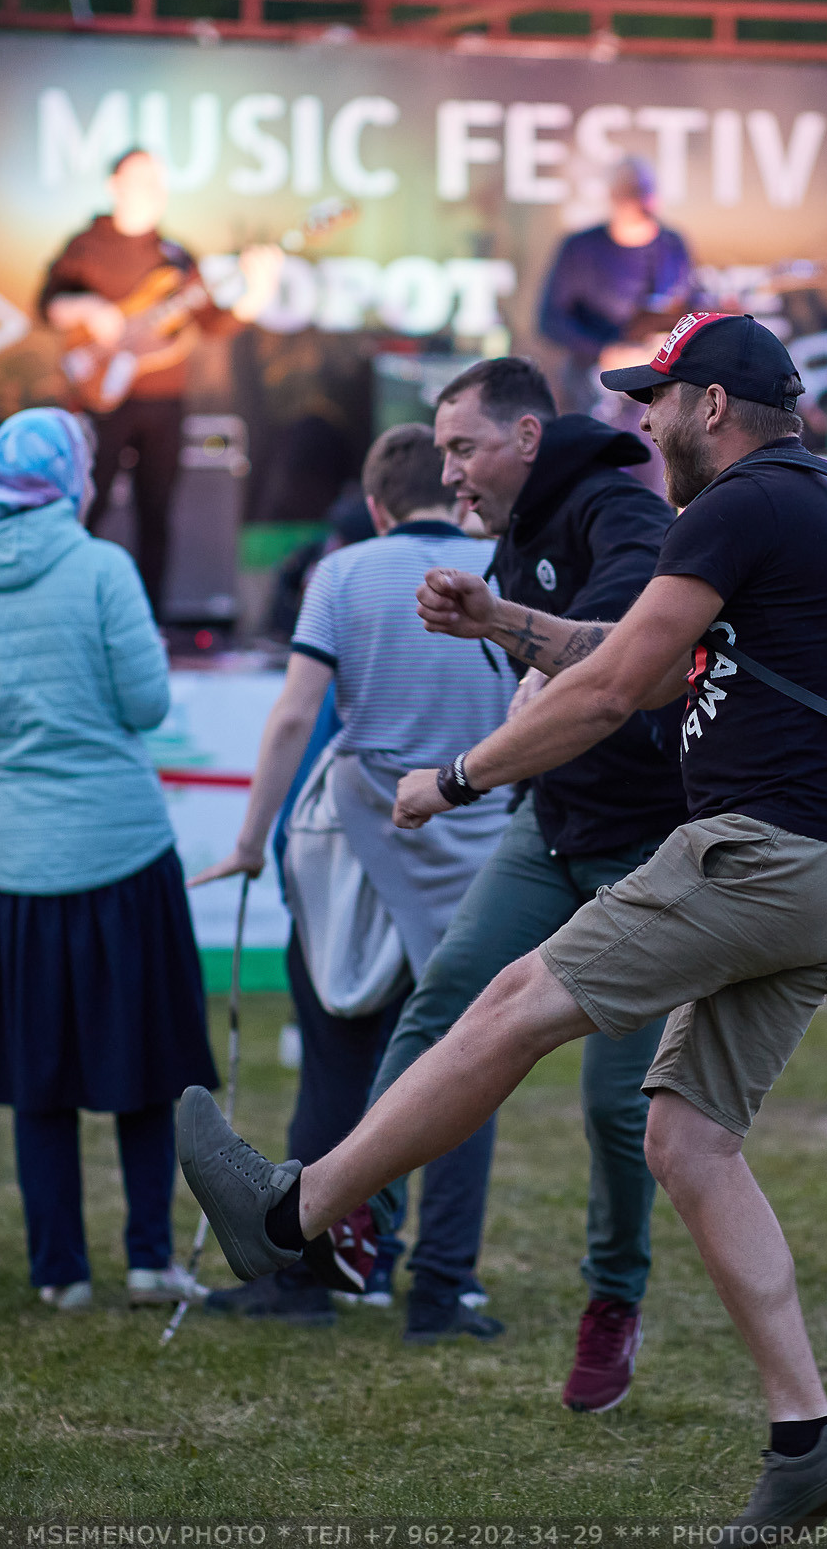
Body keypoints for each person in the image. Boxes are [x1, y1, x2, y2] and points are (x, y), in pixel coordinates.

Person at [175, 314, 827, 1528]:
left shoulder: (726, 504)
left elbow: (611, 692)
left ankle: (289, 1213)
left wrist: (453, 776)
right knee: (687, 1139)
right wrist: (507, 622)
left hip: (758, 850)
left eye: (656, 398)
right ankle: (806, 1433)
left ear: (711, 406)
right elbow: (652, 660)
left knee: (508, 1001)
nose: (640, 421)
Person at [354, 356, 688, 1402]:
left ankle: (612, 1299)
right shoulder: (519, 529)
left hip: (642, 849)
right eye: (442, 450)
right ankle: (354, 1210)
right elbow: (549, 684)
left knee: (612, 1102)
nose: (448, 470)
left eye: (463, 446)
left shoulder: (616, 515)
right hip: (551, 827)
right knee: (445, 993)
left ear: (528, 436)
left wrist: (498, 631)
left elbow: (626, 667)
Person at [187, 423, 517, 1335]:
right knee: (469, 1068)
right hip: (481, 839)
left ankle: (312, 1275)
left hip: (359, 848)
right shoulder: (509, 565)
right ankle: (444, 1288)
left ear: (376, 504)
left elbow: (296, 712)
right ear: (455, 490)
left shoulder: (343, 571)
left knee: (336, 1063)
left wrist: (252, 837)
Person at [0, 407, 217, 1312]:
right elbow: (143, 702)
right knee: (145, 1065)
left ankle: (58, 1271)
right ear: (67, 479)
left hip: (18, 864)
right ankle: (148, 1257)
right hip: (122, 849)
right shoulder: (103, 568)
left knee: (39, 1080)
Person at [40, 147, 274, 609]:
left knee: (157, 513)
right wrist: (91, 308)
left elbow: (212, 322)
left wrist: (259, 290)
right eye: (143, 177)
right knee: (87, 505)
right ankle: (67, 610)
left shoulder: (175, 255)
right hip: (100, 399)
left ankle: (147, 621)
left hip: (164, 399)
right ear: (115, 185)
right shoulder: (84, 246)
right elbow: (48, 305)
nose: (154, 189)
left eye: (159, 179)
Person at [538, 157, 699, 416]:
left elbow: (689, 307)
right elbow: (550, 320)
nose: (639, 202)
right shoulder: (580, 249)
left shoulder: (672, 245)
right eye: (630, 193)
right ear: (612, 196)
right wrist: (604, 351)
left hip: (656, 387)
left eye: (644, 192)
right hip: (594, 389)